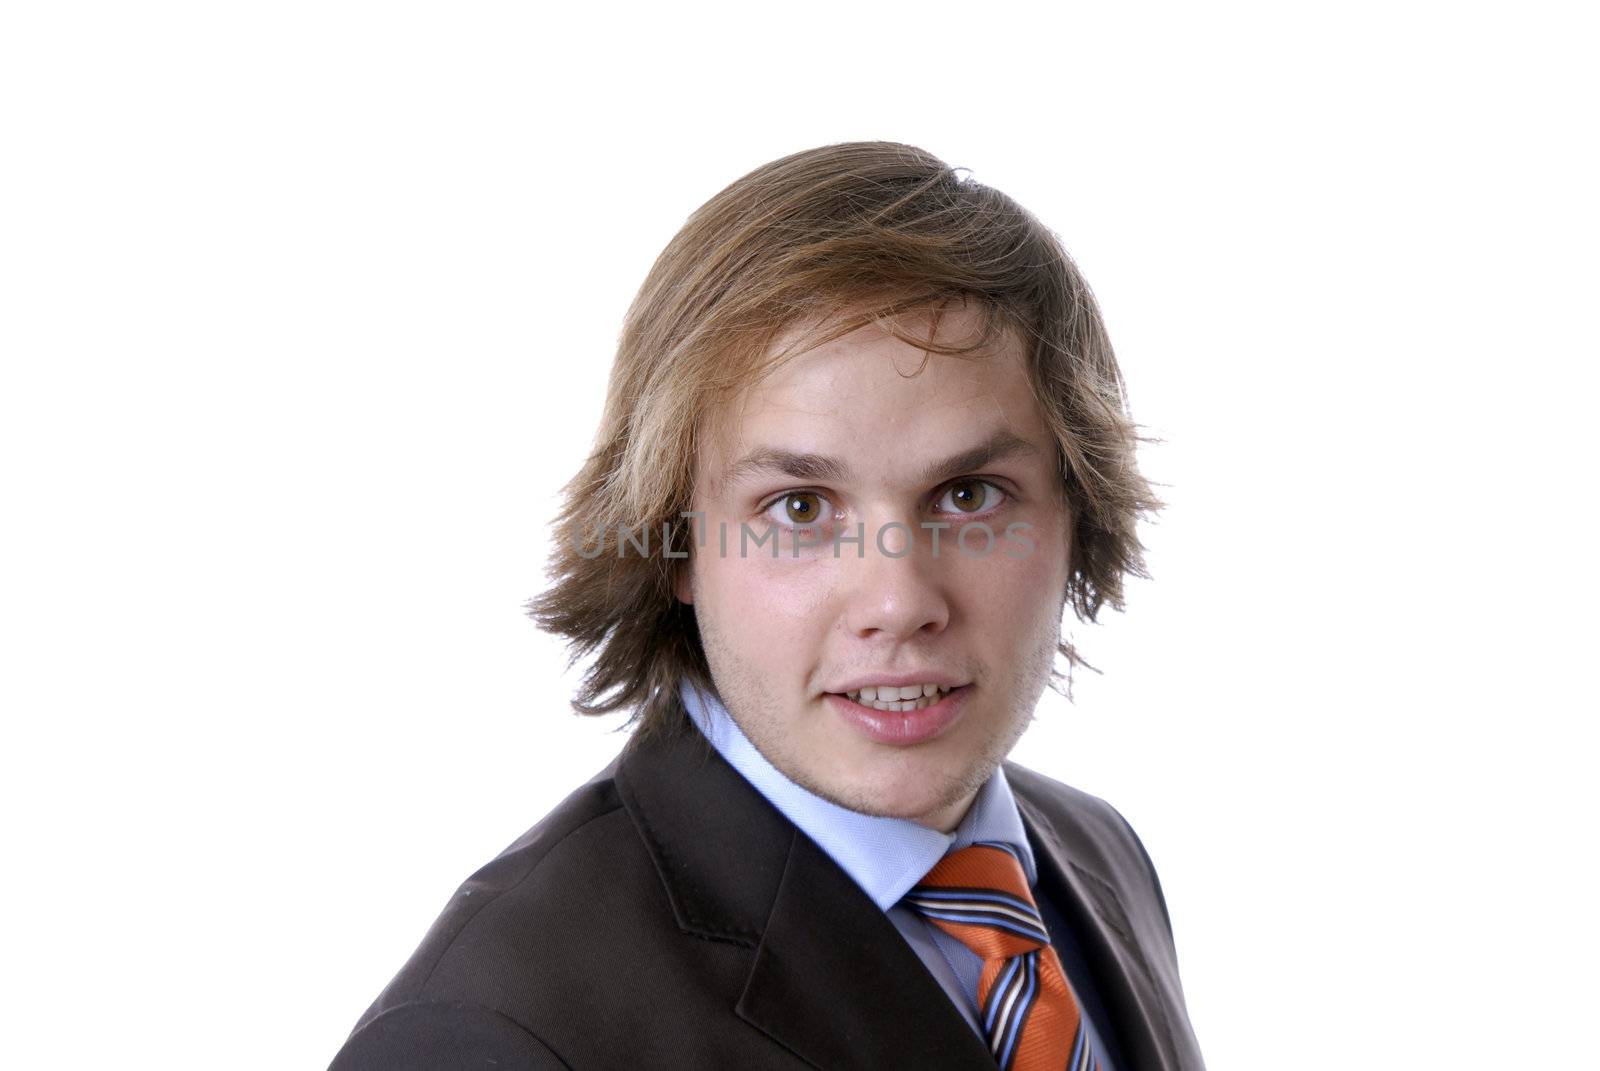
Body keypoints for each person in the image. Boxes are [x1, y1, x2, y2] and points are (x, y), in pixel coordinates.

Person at [330, 141, 1206, 1070]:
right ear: (674, 545)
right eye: (799, 508)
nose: (899, 600)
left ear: (1078, 511)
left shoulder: (1097, 857)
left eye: (969, 494)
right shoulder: (491, 1030)